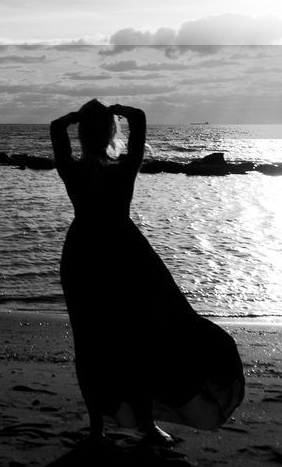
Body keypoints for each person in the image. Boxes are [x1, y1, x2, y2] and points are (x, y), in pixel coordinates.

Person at [52, 99, 245, 445]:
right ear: (112, 130)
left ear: (81, 133)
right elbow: (139, 121)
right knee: (137, 341)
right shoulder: (123, 170)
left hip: (83, 256)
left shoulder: (73, 171)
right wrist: (119, 109)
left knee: (92, 342)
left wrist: (78, 117)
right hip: (124, 255)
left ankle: (98, 426)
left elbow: (55, 129)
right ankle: (146, 424)